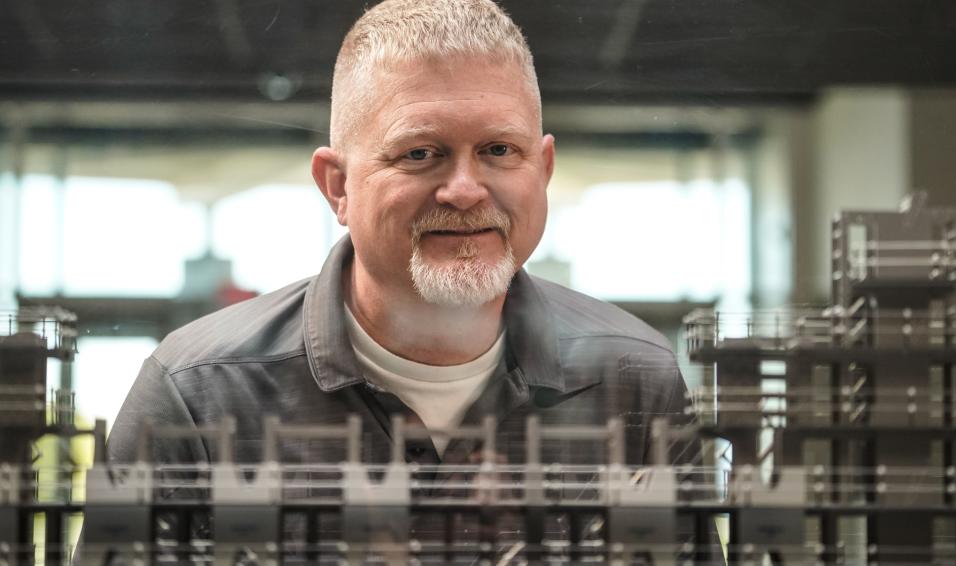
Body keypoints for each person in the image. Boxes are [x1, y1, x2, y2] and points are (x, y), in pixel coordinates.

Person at [108, 0, 709, 556]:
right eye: (421, 153)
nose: (467, 189)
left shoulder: (637, 382)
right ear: (337, 186)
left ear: (543, 169)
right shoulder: (194, 395)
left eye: (500, 150)